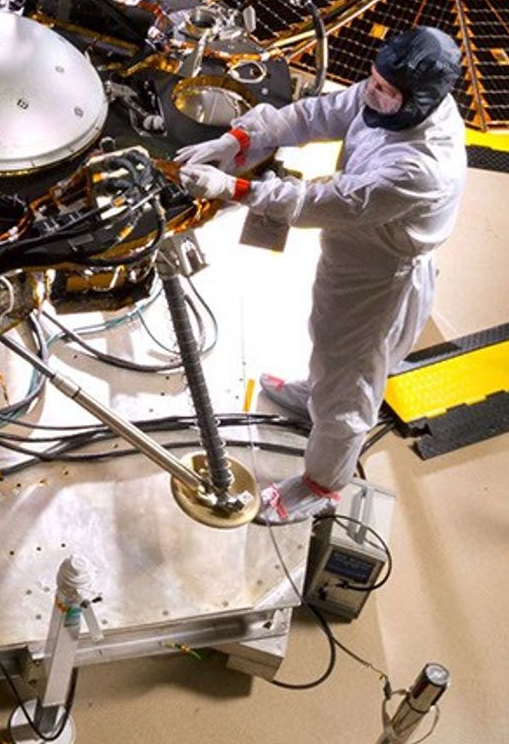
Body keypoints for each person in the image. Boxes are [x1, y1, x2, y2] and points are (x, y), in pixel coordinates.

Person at [176, 27, 469, 524]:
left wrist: (234, 187)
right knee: (328, 342)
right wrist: (241, 137)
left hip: (380, 277)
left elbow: (321, 202)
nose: (371, 92)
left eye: (384, 90)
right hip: (354, 255)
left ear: (418, 100)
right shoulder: (391, 98)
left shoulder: (421, 165)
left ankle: (322, 483)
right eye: (373, 81)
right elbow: (319, 113)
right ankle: (315, 395)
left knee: (349, 382)